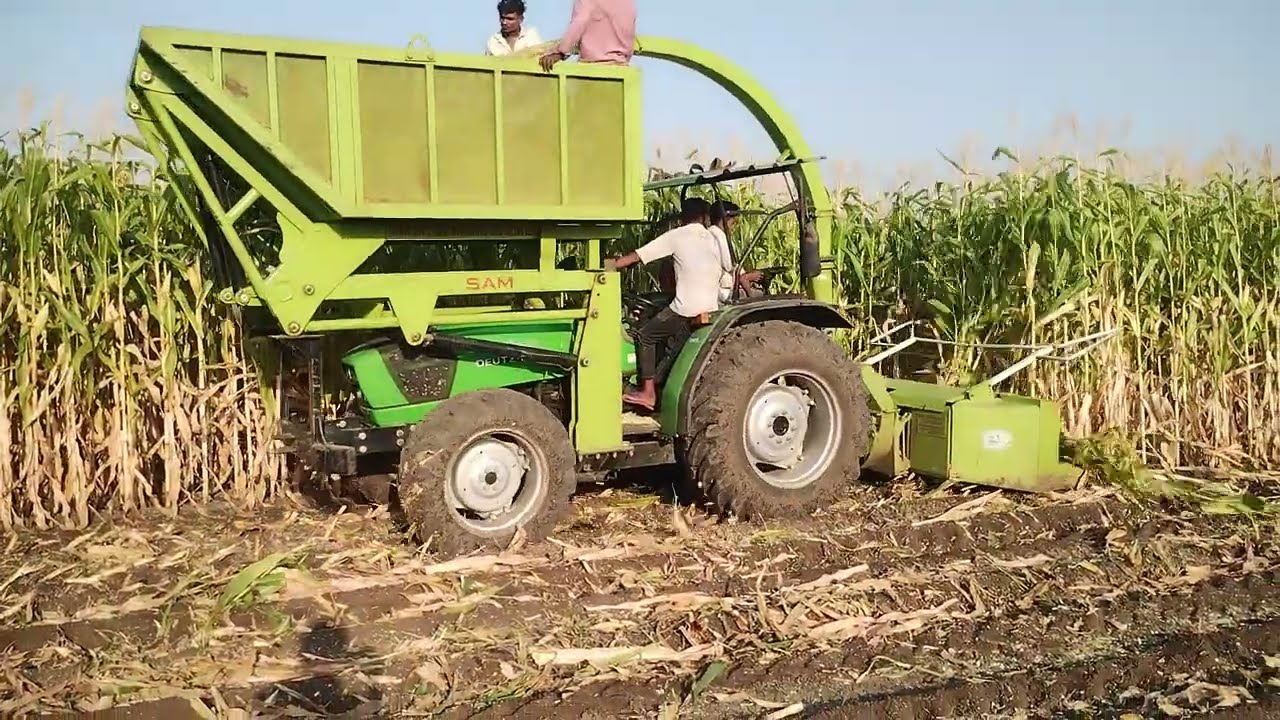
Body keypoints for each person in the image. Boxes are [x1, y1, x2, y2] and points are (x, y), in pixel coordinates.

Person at [607, 198, 719, 410]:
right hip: (711, 305)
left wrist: (609, 265)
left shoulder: (677, 235)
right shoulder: (713, 238)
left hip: (687, 308)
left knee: (645, 336)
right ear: (704, 217)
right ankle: (658, 381)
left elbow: (637, 256)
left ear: (683, 217)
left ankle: (647, 393)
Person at [539, 0, 636, 71]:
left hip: (593, 68)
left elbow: (579, 23)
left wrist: (560, 52)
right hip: (621, 68)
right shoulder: (629, 2)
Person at [709, 200, 763, 301]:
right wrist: (749, 277)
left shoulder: (708, 234)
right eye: (733, 223)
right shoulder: (720, 237)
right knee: (760, 295)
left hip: (715, 289)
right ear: (725, 220)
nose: (734, 228)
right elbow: (730, 266)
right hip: (722, 292)